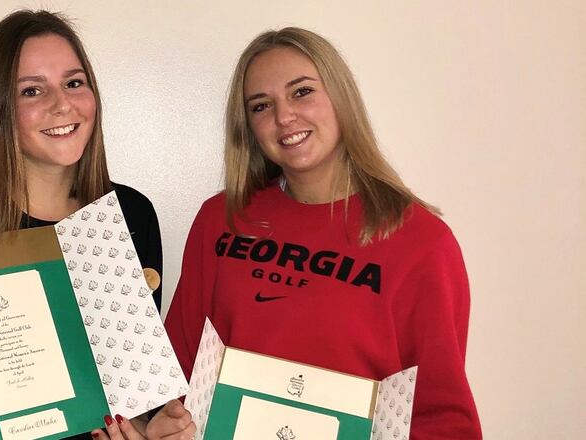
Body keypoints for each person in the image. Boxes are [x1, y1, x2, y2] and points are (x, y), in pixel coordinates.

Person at [165, 27, 482, 439]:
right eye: (261, 106)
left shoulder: (422, 243)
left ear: (340, 97)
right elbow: (177, 370)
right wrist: (166, 422)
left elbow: (443, 417)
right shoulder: (220, 220)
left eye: (301, 93)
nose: (283, 117)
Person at [0, 10, 193, 440]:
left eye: (74, 83)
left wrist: (148, 426)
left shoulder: (131, 214)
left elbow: (130, 388)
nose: (62, 104)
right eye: (32, 91)